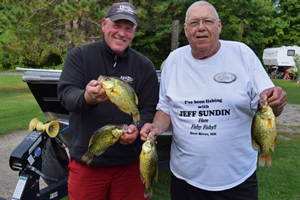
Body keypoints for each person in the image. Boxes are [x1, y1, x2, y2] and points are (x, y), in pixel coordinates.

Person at [140, 1, 286, 200]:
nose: (201, 27)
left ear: (219, 26)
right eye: (194, 23)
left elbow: (268, 104)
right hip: (185, 178)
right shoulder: (173, 61)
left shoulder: (242, 54)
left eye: (207, 21)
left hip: (236, 178)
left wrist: (276, 101)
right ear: (185, 29)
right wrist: (156, 126)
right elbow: (166, 108)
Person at [57, 2, 159, 200]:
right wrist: (87, 97)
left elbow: (147, 109)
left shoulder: (144, 66)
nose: (122, 33)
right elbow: (66, 95)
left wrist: (136, 128)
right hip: (88, 164)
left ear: (134, 32)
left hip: (129, 164)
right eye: (117, 26)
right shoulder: (79, 56)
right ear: (104, 25)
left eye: (128, 28)